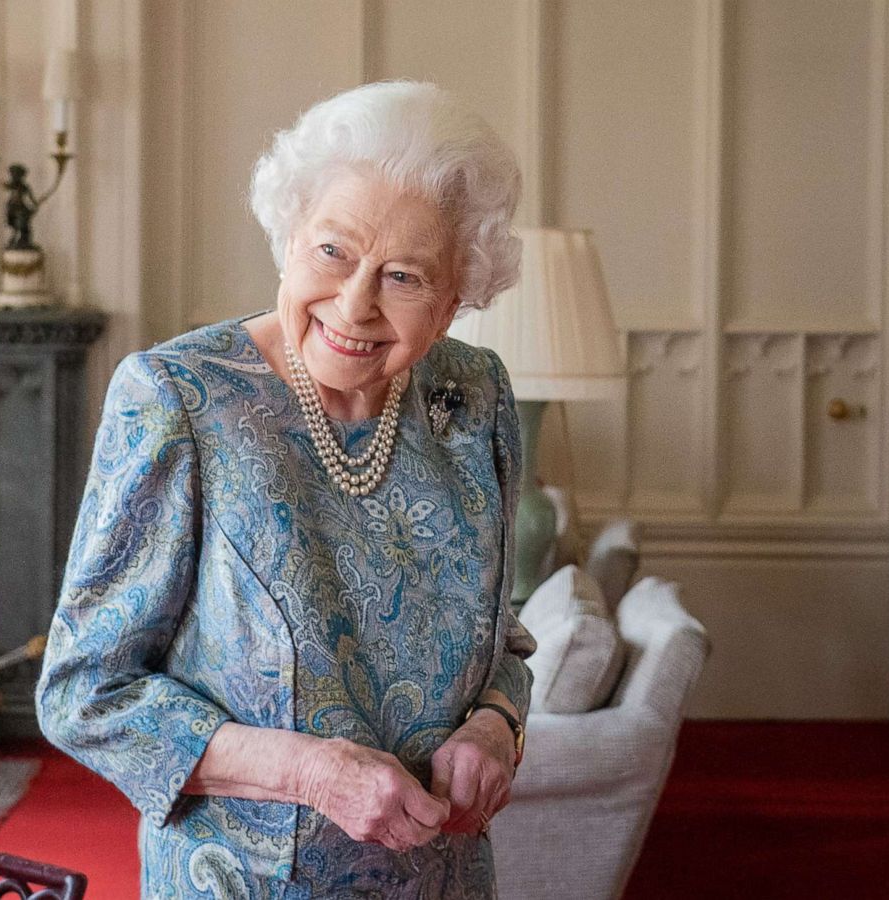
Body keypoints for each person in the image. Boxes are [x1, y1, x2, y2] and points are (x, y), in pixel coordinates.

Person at [37, 81, 536, 898]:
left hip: (443, 881)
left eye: (404, 276)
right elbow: (84, 694)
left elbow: (501, 640)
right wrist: (312, 772)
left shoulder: (472, 398)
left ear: (454, 301)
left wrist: (495, 726)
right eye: (333, 252)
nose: (355, 304)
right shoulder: (179, 399)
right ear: (289, 237)